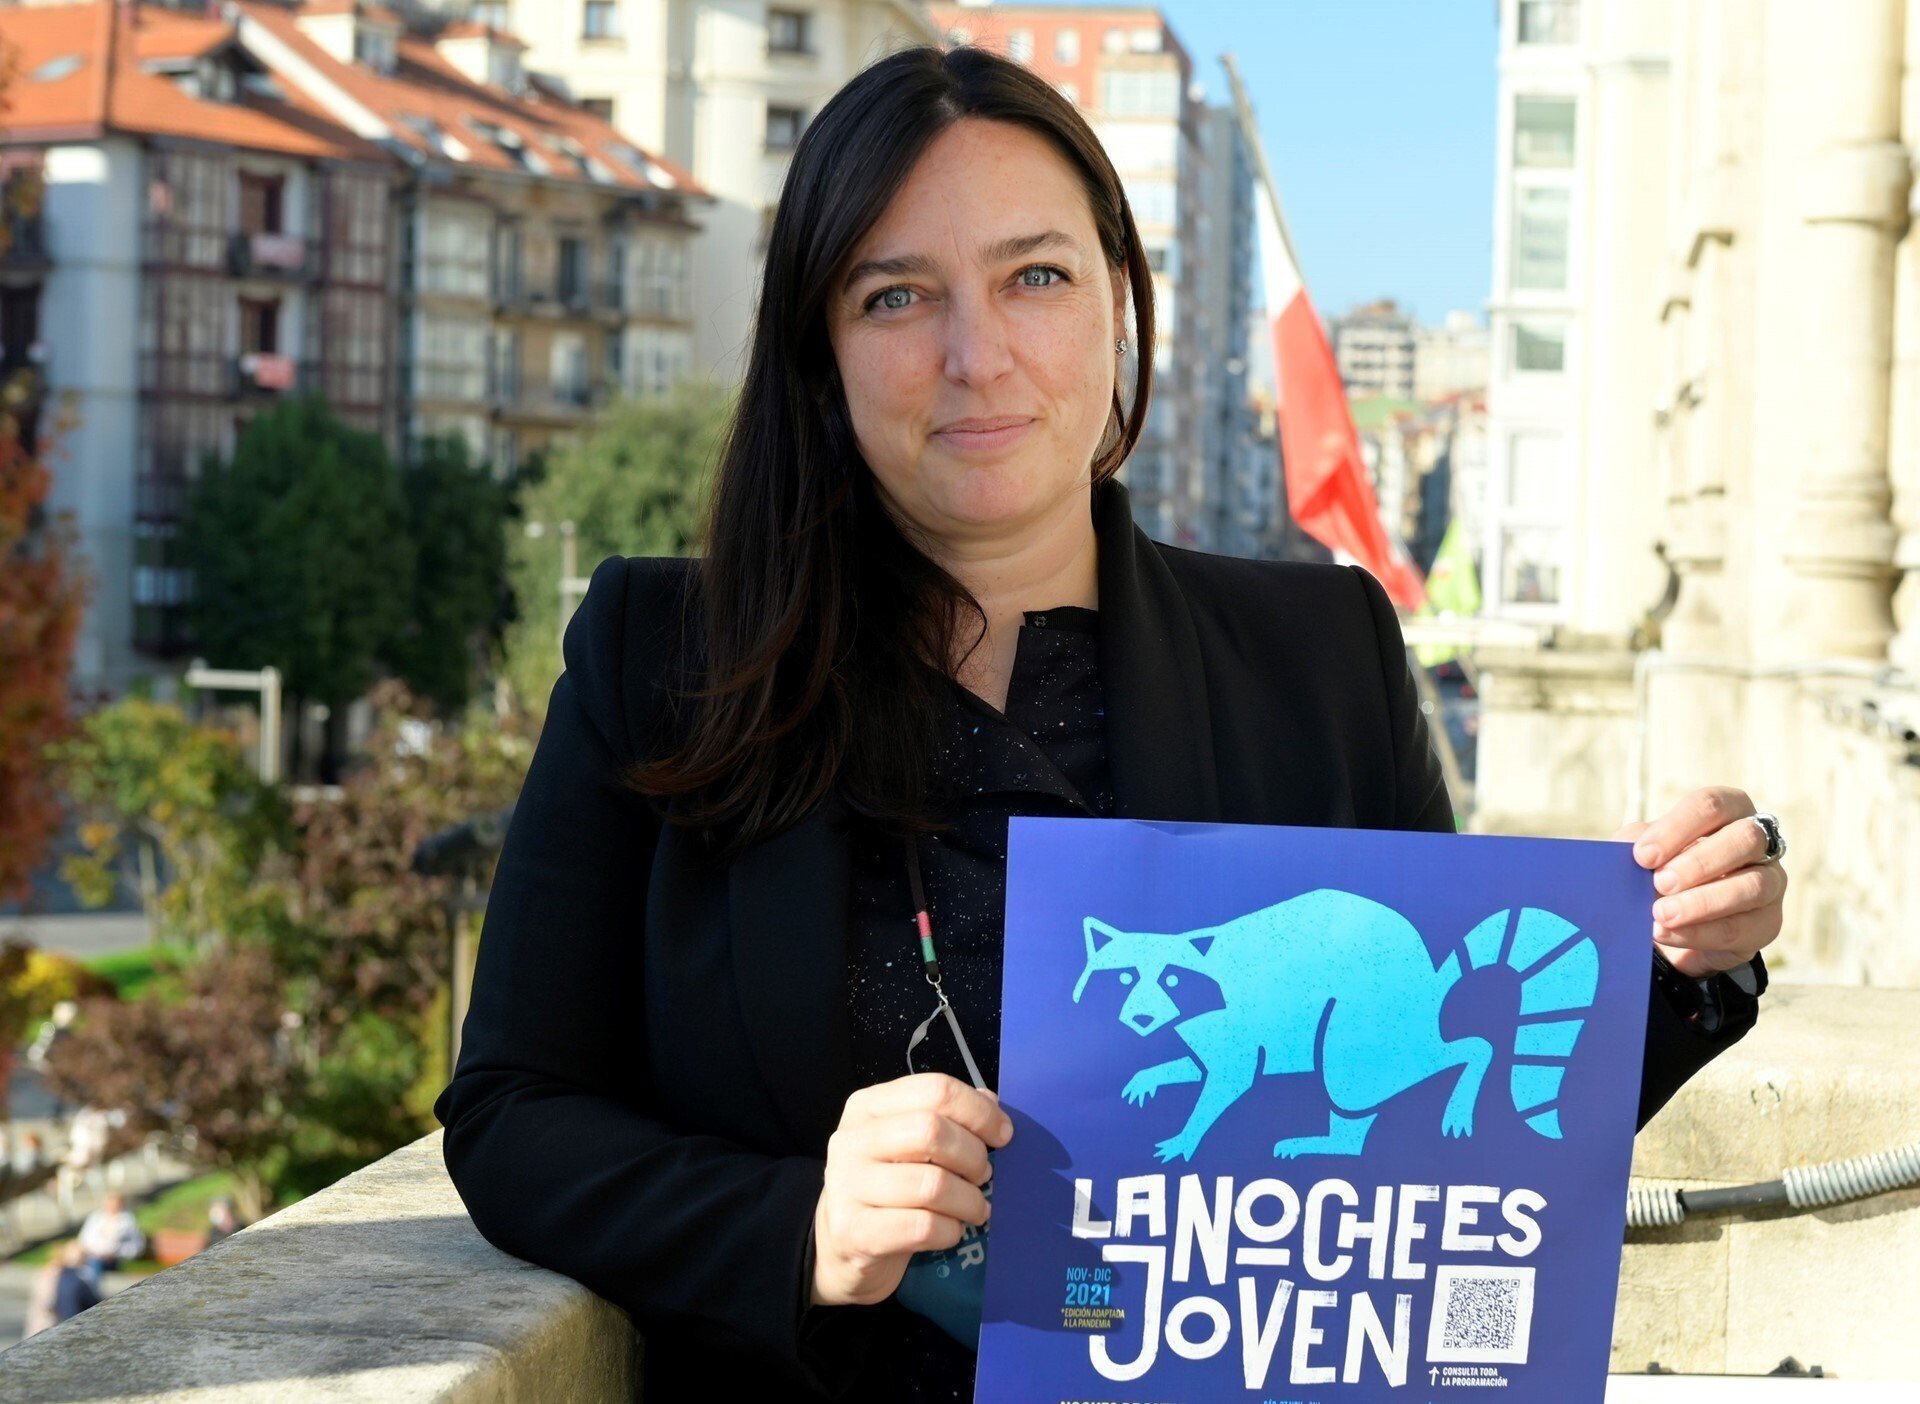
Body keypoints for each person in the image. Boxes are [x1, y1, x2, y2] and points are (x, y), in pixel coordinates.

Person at [434, 44, 1786, 1403]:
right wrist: (803, 1228)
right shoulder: (660, 657)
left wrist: (1676, 954)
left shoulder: (1323, 656)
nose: (977, 357)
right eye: (897, 295)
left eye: (1035, 277)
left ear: (1121, 302)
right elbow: (510, 1113)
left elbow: (1434, 1134)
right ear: (818, 348)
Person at [74, 1191, 144, 1292]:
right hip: (90, 1255)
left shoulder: (127, 1220)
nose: (111, 1206)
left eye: (114, 1203)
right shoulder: (96, 1217)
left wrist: (116, 1253)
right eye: (109, 1203)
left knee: (94, 1264)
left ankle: (94, 1294)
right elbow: (84, 1239)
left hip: (113, 1260)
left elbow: (137, 1246)